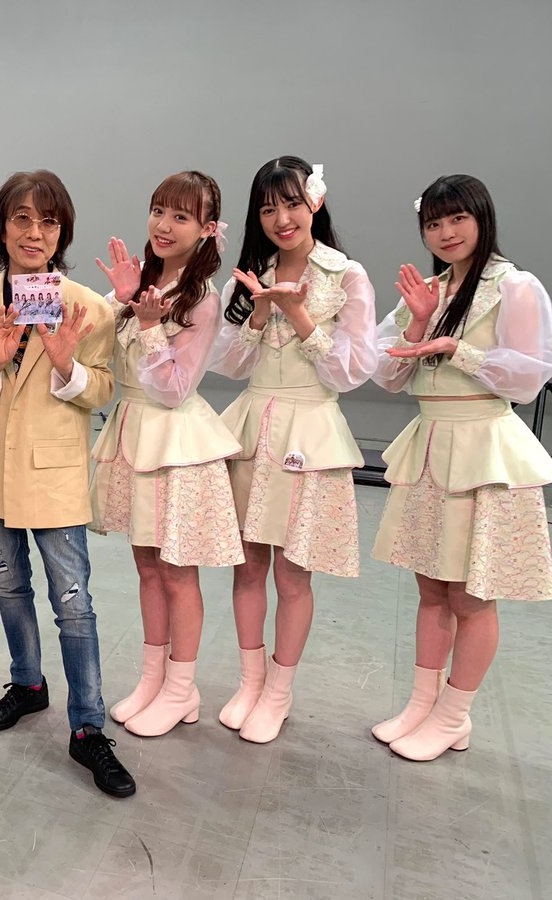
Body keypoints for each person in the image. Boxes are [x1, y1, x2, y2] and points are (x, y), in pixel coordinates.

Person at [0, 169, 135, 798]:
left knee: (73, 603)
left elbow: (105, 389)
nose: (34, 233)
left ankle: (88, 726)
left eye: (48, 221)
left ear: (63, 233)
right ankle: (28, 683)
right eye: (22, 219)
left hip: (56, 478)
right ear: (1, 228)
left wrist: (65, 364)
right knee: (9, 588)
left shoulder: (90, 308)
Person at [371, 175, 552, 760]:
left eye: (457, 219)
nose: (445, 233)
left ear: (482, 218)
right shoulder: (426, 289)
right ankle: (422, 704)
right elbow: (387, 372)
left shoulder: (514, 286)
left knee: (473, 596)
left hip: (483, 447)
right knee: (430, 588)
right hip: (430, 443)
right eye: (433, 223)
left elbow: (528, 378)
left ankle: (453, 716)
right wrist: (419, 323)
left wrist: (457, 348)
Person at [209, 157, 376, 743]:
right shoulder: (247, 276)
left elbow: (353, 370)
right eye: (267, 208)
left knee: (293, 574)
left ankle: (279, 692)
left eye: (291, 204)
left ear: (315, 203)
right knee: (247, 564)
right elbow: (229, 363)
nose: (281, 218)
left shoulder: (346, 275)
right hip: (254, 427)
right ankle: (250, 681)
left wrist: (299, 314)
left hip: (311, 430)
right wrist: (258, 312)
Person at [91, 171, 244, 737]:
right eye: (159, 210)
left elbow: (176, 389)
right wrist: (123, 302)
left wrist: (151, 326)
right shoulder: (141, 282)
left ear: (206, 229)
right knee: (147, 566)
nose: (164, 224)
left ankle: (182, 689)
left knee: (178, 572)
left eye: (181, 216)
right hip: (133, 432)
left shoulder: (204, 296)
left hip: (175, 442)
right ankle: (153, 679)